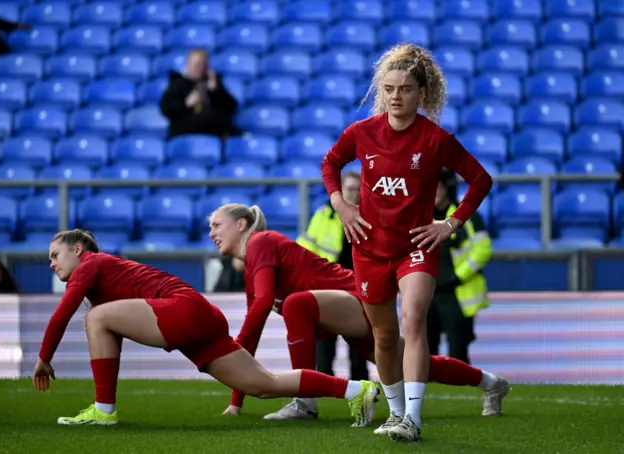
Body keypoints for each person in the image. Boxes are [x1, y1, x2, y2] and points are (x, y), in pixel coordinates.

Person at [320, 43, 493, 442]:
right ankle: (397, 414)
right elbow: (330, 163)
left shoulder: (436, 138)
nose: (396, 96)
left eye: (405, 88)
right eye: (390, 88)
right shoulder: (361, 132)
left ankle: (413, 419)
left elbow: (480, 179)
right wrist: (341, 205)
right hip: (369, 248)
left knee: (413, 320)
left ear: (422, 94)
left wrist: (449, 224)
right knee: (382, 337)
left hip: (415, 247)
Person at [32, 229, 380, 426]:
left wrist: (45, 357)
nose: (51, 264)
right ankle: (357, 391)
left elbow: (64, 313)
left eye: (55, 255)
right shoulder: (101, 275)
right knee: (264, 384)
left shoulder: (91, 263)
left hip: (182, 309)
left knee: (95, 317)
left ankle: (104, 411)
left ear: (78, 249)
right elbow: (109, 332)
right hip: (199, 314)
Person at [209, 204, 509, 427]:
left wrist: (229, 356)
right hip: (346, 306)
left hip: (357, 296)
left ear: (241, 224)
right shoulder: (251, 269)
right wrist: (237, 401)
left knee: (295, 304)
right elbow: (253, 327)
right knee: (413, 364)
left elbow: (260, 309)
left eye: (216, 225)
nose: (211, 234)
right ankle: (491, 382)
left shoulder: (261, 241)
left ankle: (304, 402)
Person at [296, 170, 369, 382]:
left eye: (357, 189)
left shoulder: (370, 216)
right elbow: (306, 250)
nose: (354, 194)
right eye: (349, 189)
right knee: (325, 341)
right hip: (326, 286)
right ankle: (325, 383)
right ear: (340, 191)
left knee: (359, 340)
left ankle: (360, 384)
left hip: (358, 287)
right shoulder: (323, 214)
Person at [428, 169, 492, 364]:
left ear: (447, 188)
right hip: (427, 293)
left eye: (436, 187)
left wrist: (457, 277)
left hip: (457, 293)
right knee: (425, 351)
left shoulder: (465, 215)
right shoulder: (419, 217)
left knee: (458, 350)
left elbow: (482, 249)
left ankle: (462, 389)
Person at [160, 49, 240, 139]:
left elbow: (231, 107)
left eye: (201, 64)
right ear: (188, 64)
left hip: (212, 133)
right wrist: (186, 103)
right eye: (194, 64)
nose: (197, 68)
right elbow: (166, 109)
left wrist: (216, 91)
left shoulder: (212, 82)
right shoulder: (177, 83)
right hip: (184, 133)